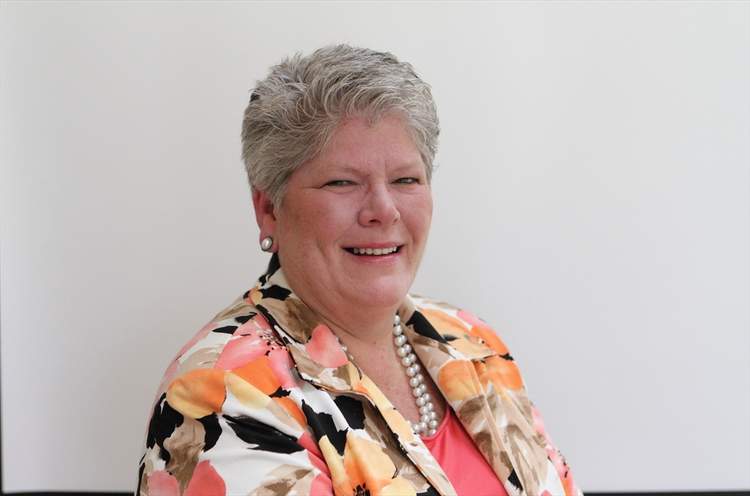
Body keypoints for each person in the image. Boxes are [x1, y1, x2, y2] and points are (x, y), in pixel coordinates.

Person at [137, 44, 580, 496]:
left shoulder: (473, 342)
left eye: (406, 179)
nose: (384, 211)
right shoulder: (222, 393)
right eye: (342, 182)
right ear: (269, 209)